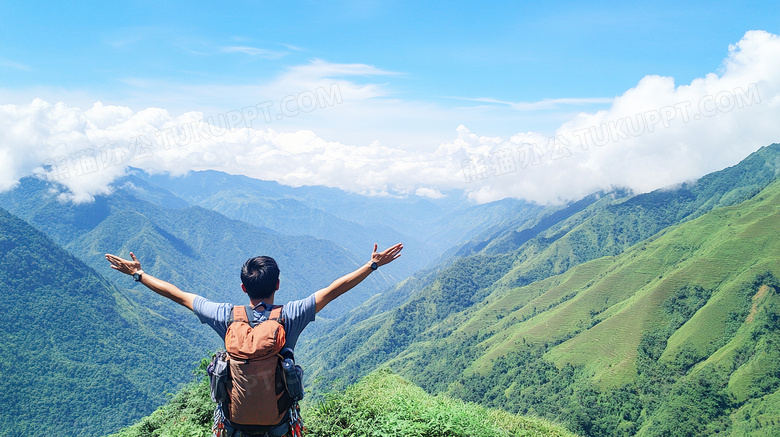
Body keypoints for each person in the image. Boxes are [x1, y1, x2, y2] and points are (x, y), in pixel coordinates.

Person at [105, 242, 404, 437]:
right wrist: (372, 265)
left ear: (243, 288)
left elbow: (179, 295)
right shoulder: (291, 315)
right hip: (279, 424)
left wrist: (139, 275)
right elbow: (334, 289)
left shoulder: (225, 316)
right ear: (277, 284)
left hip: (234, 423)